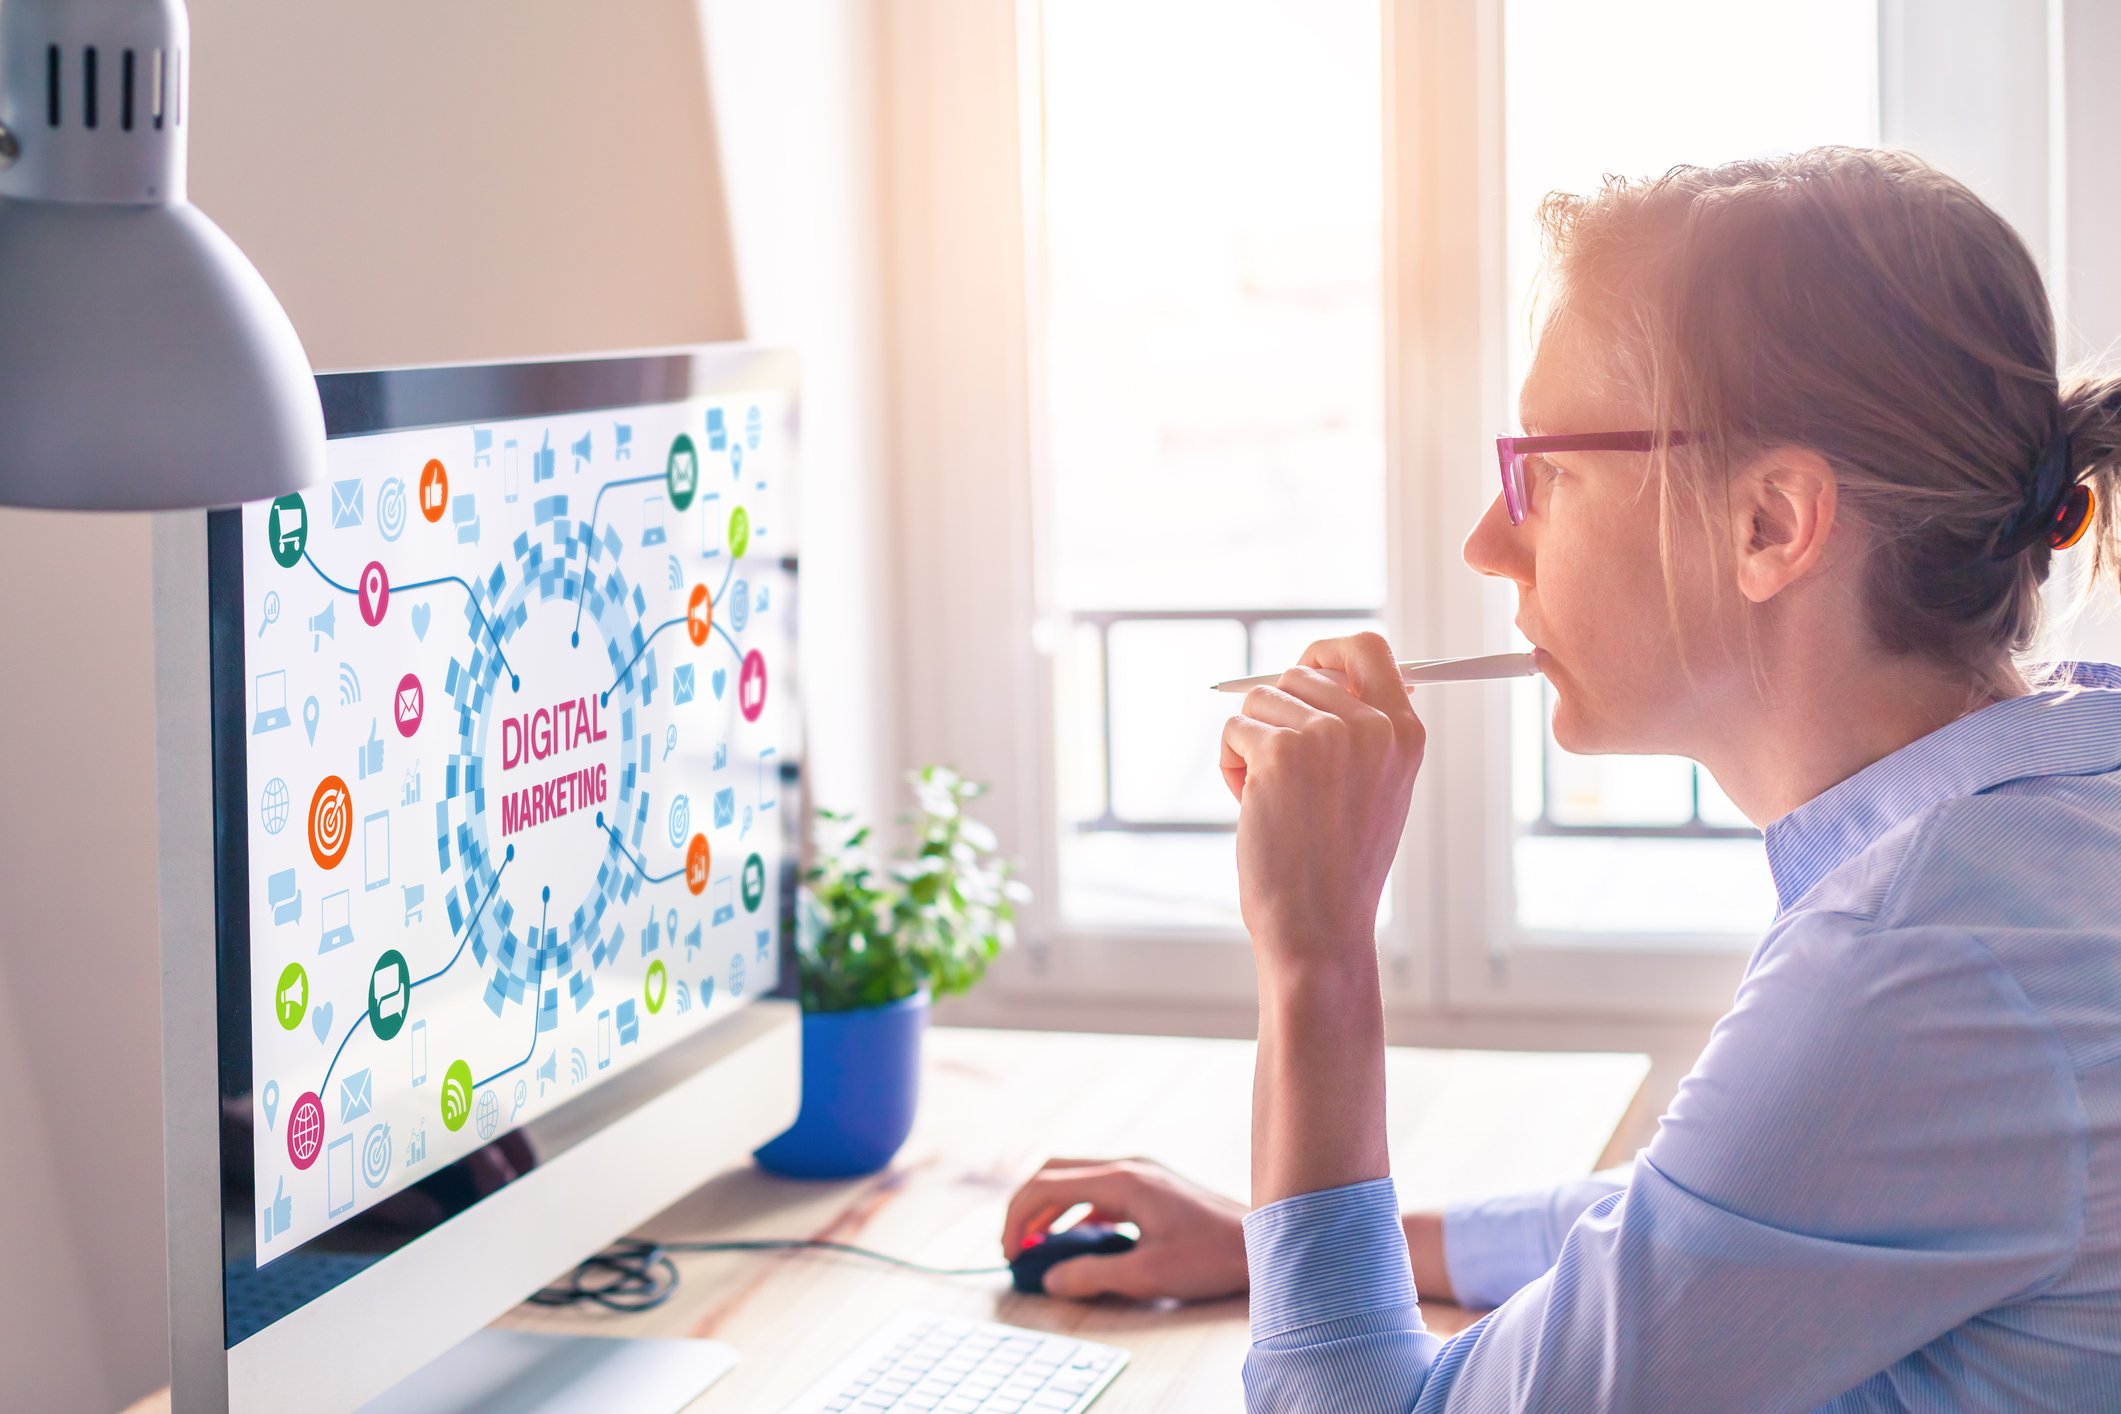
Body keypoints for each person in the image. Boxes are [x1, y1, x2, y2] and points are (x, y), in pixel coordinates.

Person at [1000, 147, 2121, 1410]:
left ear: (1772, 522)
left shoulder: (1919, 961)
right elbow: (1718, 1219)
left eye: (1545, 473)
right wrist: (1287, 1244)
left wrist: (1315, 954)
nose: (1489, 542)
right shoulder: (2048, 829)